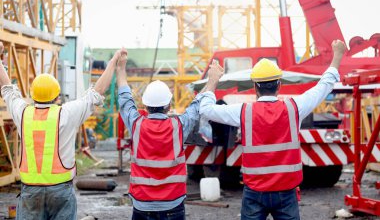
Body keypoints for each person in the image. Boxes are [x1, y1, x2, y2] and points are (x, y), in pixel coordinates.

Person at [199, 40, 347, 220]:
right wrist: (337, 56)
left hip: (255, 192)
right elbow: (324, 86)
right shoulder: (295, 108)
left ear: (255, 87)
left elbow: (205, 109)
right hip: (286, 193)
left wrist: (213, 81)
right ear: (279, 85)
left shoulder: (243, 112)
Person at [0, 41, 127, 220]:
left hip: (30, 191)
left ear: (33, 94)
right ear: (57, 96)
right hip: (60, 191)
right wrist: (114, 61)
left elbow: (7, 89)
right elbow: (96, 93)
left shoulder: (23, 113)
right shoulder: (66, 114)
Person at [116, 49, 223, 220]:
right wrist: (213, 81)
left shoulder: (136, 125)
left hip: (142, 204)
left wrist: (120, 69)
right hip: (173, 204)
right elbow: (197, 105)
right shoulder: (178, 126)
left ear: (145, 105)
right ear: (169, 105)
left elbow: (124, 99)